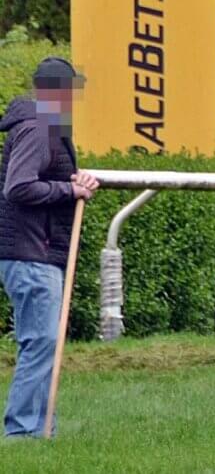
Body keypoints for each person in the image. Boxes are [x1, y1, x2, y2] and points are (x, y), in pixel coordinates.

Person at [0, 57, 98, 438]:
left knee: (44, 342)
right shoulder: (40, 127)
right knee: (40, 342)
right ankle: (23, 432)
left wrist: (77, 179)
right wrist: (69, 190)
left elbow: (45, 176)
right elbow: (19, 186)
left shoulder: (47, 127)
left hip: (36, 252)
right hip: (31, 254)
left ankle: (41, 429)